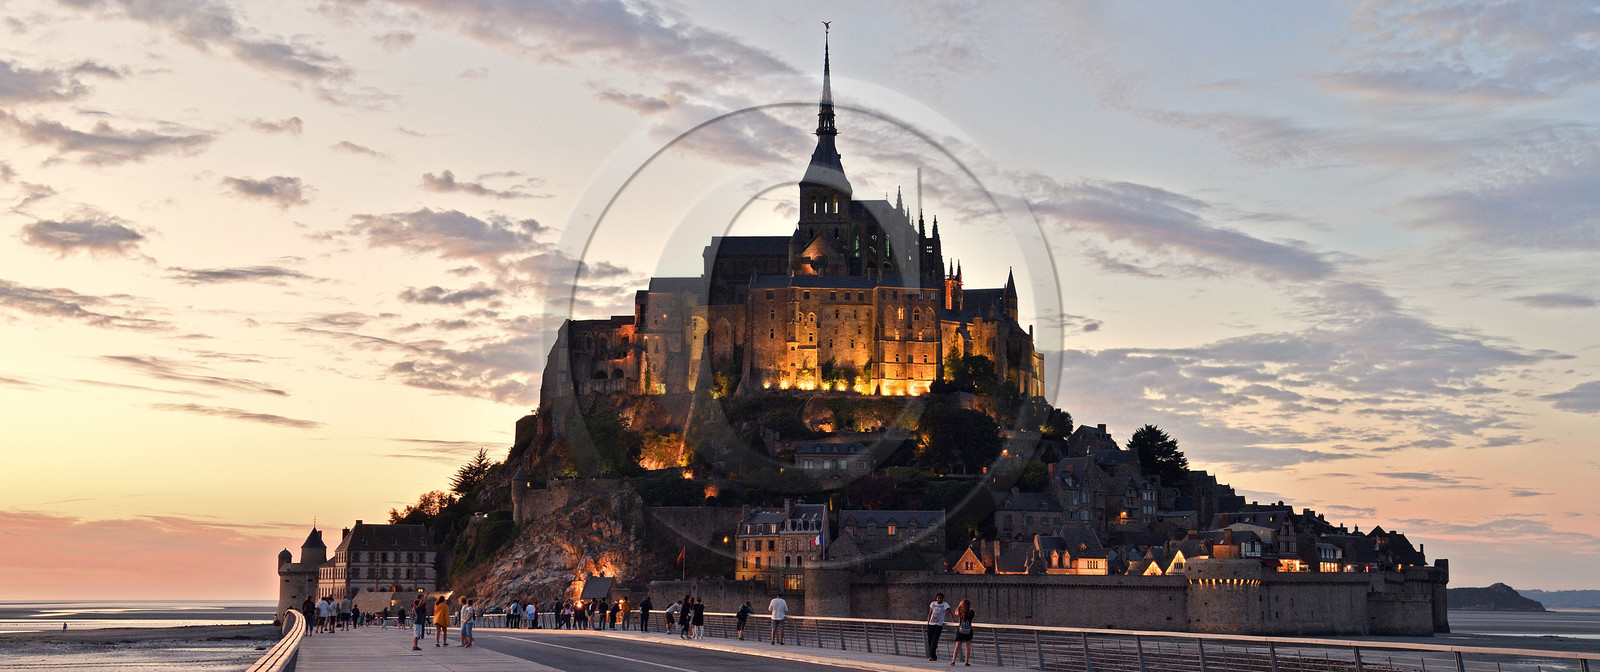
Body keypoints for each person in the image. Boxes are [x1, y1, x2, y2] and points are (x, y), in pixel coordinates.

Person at [926, 592, 952, 661]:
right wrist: (928, 622)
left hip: (938, 625)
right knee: (930, 640)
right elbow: (930, 612)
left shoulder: (945, 604)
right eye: (938, 598)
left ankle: (933, 656)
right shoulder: (933, 604)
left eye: (940, 598)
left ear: (942, 599)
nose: (939, 599)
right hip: (931, 624)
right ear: (936, 598)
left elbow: (949, 612)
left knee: (934, 640)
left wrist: (954, 621)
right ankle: (933, 656)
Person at [950, 599, 975, 666]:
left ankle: (953, 661)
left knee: (957, 646)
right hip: (968, 631)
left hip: (961, 631)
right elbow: (973, 614)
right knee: (968, 647)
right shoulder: (971, 612)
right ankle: (966, 662)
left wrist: (959, 605)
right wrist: (970, 607)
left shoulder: (960, 612)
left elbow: (956, 612)